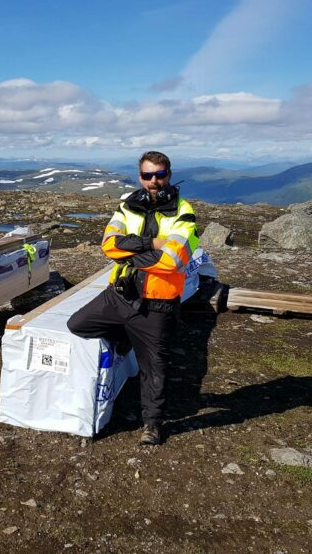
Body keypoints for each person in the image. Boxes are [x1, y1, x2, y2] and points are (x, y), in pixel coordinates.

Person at [67, 151, 199, 445]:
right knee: (77, 324)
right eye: (148, 175)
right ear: (140, 176)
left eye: (160, 174)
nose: (154, 181)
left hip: (157, 304)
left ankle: (152, 424)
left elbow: (173, 260)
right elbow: (109, 246)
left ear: (169, 175)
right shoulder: (128, 206)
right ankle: (125, 336)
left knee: (155, 369)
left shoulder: (184, 212)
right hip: (120, 296)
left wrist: (131, 253)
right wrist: (152, 244)